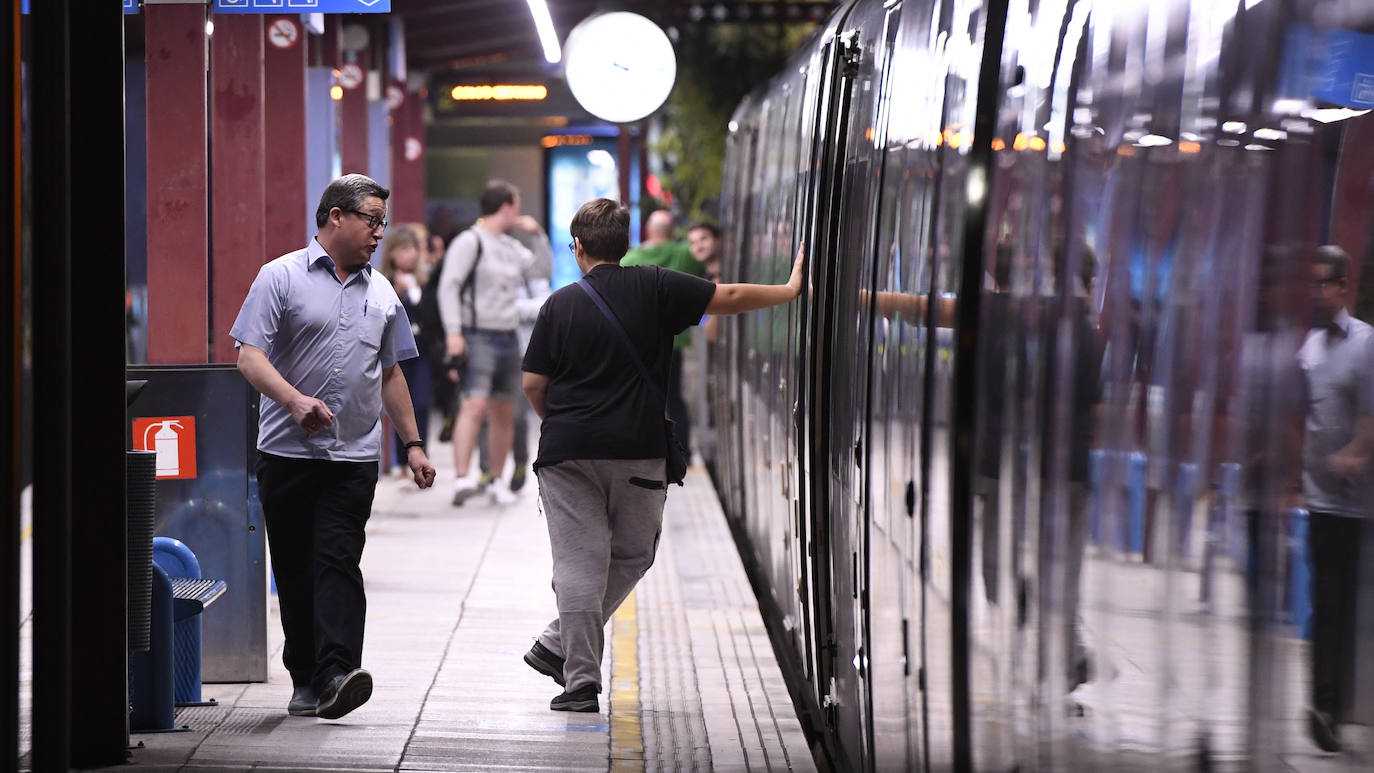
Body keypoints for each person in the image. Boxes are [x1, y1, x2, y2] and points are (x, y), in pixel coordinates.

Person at [519, 198, 805, 712]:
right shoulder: (656, 285)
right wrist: (788, 290)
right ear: (626, 245)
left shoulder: (558, 305)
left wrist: (560, 425)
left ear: (577, 247)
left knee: (579, 563)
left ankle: (577, 679)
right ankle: (559, 647)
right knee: (632, 555)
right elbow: (729, 295)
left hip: (567, 452)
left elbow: (533, 384)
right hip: (638, 449)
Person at [230, 174, 437, 721]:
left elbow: (390, 373)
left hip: (354, 458)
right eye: (371, 220)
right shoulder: (280, 277)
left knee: (338, 559)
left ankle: (339, 672)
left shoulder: (383, 292)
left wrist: (414, 444)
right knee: (296, 567)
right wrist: (294, 400)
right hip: (287, 454)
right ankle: (306, 676)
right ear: (335, 216)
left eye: (383, 223)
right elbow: (249, 356)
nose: (379, 233)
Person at [1297, 245, 1374, 753]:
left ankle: (1342, 704)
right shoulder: (1308, 348)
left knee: (1350, 609)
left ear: (1344, 286)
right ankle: (1324, 706)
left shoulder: (1366, 344)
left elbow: (1371, 419)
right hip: (1320, 502)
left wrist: (1355, 455)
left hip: (1359, 508)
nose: (1316, 292)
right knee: (1324, 605)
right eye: (1312, 283)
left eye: (1325, 283)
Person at [437, 179, 552, 506]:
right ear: (506, 207)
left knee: (504, 410)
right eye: (516, 206)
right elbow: (449, 286)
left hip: (507, 335)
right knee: (473, 404)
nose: (518, 214)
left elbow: (541, 270)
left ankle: (497, 480)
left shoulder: (510, 246)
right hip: (477, 333)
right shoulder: (470, 241)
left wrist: (538, 235)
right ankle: (462, 477)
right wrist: (453, 331)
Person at [622, 209, 703, 454]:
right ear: (672, 232)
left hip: (639, 343)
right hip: (674, 341)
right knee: (674, 396)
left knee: (641, 396)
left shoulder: (629, 259)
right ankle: (682, 452)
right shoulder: (683, 254)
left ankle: (645, 448)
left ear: (648, 230)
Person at [379, 224, 440, 479]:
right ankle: (401, 463)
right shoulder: (383, 283)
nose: (410, 255)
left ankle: (422, 456)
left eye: (414, 249)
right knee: (399, 406)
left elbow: (433, 317)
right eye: (404, 249)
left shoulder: (425, 282)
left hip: (422, 351)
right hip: (396, 353)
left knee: (422, 404)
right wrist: (398, 293)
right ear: (392, 253)